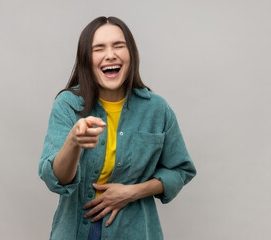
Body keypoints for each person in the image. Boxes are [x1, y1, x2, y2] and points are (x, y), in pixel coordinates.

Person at [39, 16, 196, 240]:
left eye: (118, 46)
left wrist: (131, 192)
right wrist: (73, 142)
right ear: (86, 58)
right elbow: (57, 180)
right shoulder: (68, 105)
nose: (110, 54)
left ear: (130, 54)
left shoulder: (157, 109)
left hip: (135, 231)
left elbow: (180, 170)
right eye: (99, 48)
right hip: (76, 231)